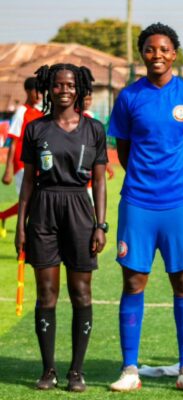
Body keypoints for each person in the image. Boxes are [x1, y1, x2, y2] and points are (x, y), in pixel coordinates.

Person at [106, 23, 183, 393]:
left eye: (164, 49)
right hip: (138, 202)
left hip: (181, 203)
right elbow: (122, 148)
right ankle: (130, 369)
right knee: (134, 280)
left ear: (174, 53)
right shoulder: (129, 97)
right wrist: (145, 178)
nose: (157, 55)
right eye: (150, 49)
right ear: (142, 54)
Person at [15, 63, 107, 392]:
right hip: (43, 209)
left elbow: (99, 182)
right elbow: (27, 181)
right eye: (57, 85)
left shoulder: (93, 129)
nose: (64, 90)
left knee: (81, 293)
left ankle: (76, 372)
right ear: (48, 89)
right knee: (47, 294)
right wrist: (22, 224)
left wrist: (101, 224)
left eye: (70, 85)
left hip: (80, 212)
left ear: (79, 89)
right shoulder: (36, 129)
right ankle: (49, 370)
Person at [1, 77, 43, 236]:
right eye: (36, 91)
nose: (40, 94)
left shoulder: (41, 112)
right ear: (28, 91)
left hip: (37, 162)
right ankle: (26, 238)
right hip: (21, 162)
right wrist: (8, 169)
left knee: (33, 200)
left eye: (42, 91)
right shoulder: (21, 112)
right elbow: (13, 141)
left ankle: (3, 216)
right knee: (29, 200)